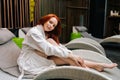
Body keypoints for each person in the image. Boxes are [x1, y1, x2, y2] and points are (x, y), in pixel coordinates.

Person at [17, 14, 117, 78]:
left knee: (66, 56)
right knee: (67, 56)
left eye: (53, 25)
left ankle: (94, 67)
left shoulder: (44, 33)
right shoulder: (34, 32)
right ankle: (92, 67)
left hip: (40, 55)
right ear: (45, 20)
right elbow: (48, 49)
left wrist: (69, 54)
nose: (51, 26)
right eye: (50, 22)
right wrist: (71, 55)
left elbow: (57, 46)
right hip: (29, 60)